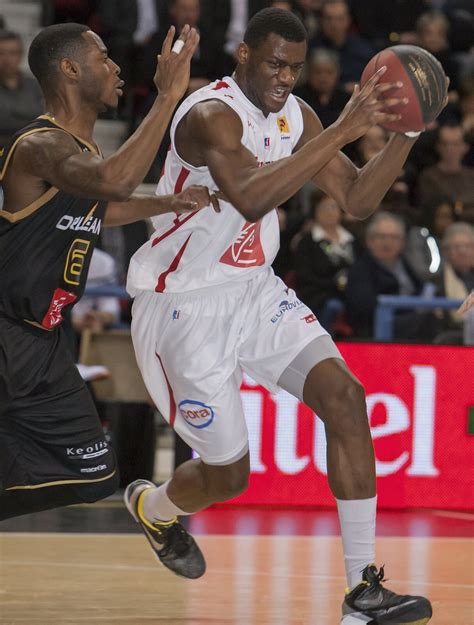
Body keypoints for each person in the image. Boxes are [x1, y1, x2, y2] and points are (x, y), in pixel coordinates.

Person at [126, 8, 436, 623]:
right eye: (273, 63)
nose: (285, 78)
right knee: (229, 477)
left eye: (294, 67)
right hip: (184, 306)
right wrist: (343, 130)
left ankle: (362, 589)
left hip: (255, 289)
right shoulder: (208, 114)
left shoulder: (298, 117)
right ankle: (156, 508)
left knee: (346, 399)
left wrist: (407, 133)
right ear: (242, 54)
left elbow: (355, 200)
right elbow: (251, 196)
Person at [0, 23, 216, 522]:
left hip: (44, 346)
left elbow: (99, 208)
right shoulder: (38, 146)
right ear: (70, 69)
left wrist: (166, 202)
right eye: (103, 58)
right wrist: (167, 97)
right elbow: (113, 184)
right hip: (6, 329)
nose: (116, 67)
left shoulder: (85, 155)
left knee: (95, 474)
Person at [345, 212, 438, 340]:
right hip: (376, 328)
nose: (387, 242)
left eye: (394, 237)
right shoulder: (360, 269)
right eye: (382, 237)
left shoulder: (405, 264)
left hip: (411, 322)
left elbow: (420, 290)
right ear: (369, 241)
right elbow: (363, 308)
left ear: (402, 243)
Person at [293, 190, 357, 330]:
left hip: (351, 293)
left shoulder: (352, 240)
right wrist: (335, 285)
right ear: (314, 211)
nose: (329, 212)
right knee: (332, 306)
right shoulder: (307, 242)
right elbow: (304, 276)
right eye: (324, 207)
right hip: (319, 296)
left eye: (333, 207)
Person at [0, 30, 44, 147]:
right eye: (1, 53)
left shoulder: (36, 86)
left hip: (32, 149)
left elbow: (45, 121)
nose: (7, 59)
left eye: (12, 53)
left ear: (20, 55)